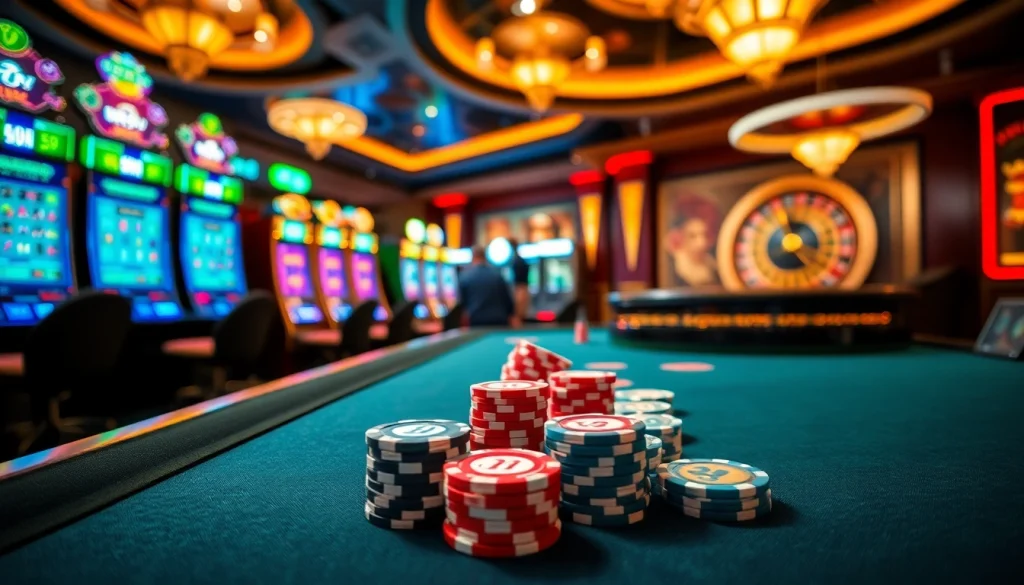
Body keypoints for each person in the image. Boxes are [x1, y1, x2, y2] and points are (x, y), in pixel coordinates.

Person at [458, 246, 515, 327]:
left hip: (477, 322)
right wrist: (512, 316)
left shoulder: (465, 277)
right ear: (485, 257)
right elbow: (508, 300)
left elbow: (462, 304)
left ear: (473, 257)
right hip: (499, 322)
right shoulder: (498, 275)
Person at [506, 237, 529, 327]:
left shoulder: (517, 261)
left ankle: (518, 334)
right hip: (523, 290)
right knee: (520, 317)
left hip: (520, 290)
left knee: (518, 317)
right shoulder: (518, 259)